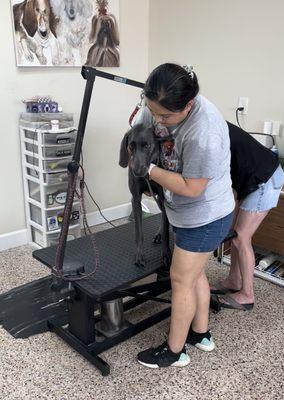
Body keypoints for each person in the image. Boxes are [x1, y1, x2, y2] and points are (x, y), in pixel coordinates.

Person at [134, 63, 235, 369]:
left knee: (180, 281)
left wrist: (150, 170)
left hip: (206, 217)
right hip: (187, 213)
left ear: (188, 105)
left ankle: (175, 351)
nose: (157, 119)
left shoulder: (205, 132)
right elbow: (143, 128)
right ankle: (201, 334)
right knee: (194, 276)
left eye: (165, 116)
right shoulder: (156, 104)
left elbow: (192, 188)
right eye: (153, 111)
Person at [211, 122, 284, 310]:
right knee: (235, 233)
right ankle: (234, 281)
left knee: (241, 237)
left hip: (264, 179)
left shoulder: (208, 132)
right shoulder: (211, 127)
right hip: (252, 179)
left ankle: (247, 295)